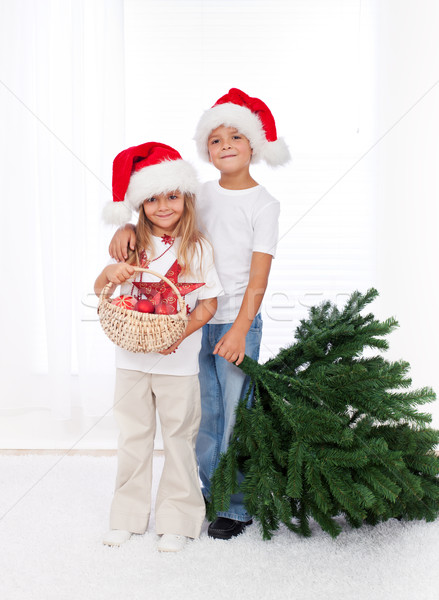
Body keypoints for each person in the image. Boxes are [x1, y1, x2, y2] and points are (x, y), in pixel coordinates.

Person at [109, 89, 290, 540]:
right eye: (215, 139)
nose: (225, 144)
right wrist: (129, 225)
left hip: (234, 322)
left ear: (255, 144)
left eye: (235, 136)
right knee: (203, 415)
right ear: (205, 151)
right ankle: (208, 490)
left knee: (235, 413)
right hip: (188, 322)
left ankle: (236, 504)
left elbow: (258, 278)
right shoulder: (201, 193)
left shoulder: (263, 204)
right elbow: (167, 218)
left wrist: (242, 327)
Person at [95, 142, 223, 552]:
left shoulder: (198, 247)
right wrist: (108, 272)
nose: (163, 206)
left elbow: (208, 304)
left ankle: (178, 519)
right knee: (133, 437)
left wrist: (177, 335)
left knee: (179, 438)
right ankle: (127, 516)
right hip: (130, 360)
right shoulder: (128, 243)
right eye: (151, 198)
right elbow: (101, 291)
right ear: (139, 204)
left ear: (186, 198)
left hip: (179, 364)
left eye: (172, 196)